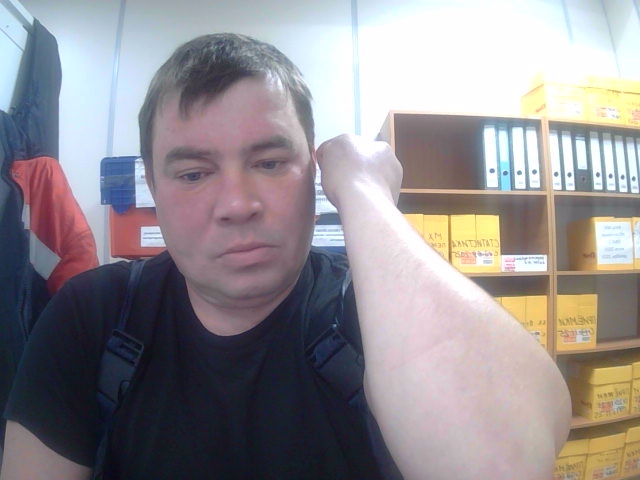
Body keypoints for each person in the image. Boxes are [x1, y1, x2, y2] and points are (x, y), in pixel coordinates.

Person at [0, 33, 571, 480]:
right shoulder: (91, 317)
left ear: (313, 173)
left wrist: (365, 193)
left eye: (271, 163)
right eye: (194, 173)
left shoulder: (379, 313)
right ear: (152, 186)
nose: (237, 204)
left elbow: (507, 464)